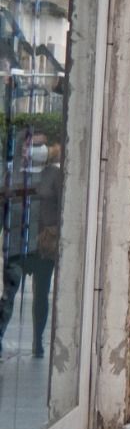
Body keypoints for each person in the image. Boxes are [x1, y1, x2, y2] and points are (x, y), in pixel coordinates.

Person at [0, 128, 62, 357]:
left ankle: (38, 341)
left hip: (43, 246)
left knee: (41, 296)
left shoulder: (54, 175)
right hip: (16, 243)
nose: (35, 150)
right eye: (30, 145)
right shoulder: (12, 174)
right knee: (9, 293)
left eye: (40, 145)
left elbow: (63, 207)